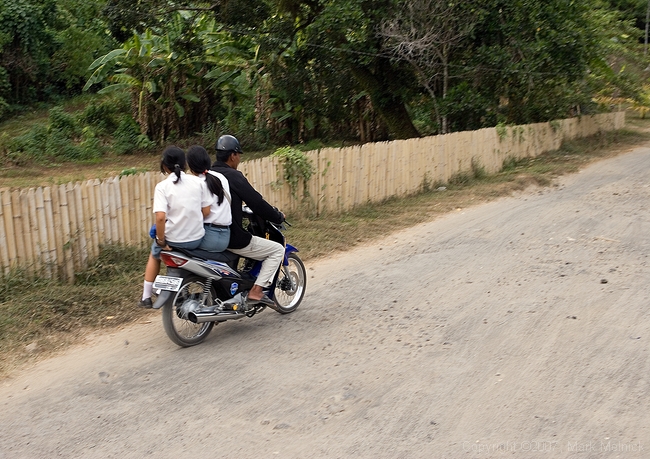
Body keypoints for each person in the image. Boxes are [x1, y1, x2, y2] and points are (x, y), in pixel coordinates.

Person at [211, 135, 285, 305]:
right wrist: (278, 216)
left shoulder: (208, 173)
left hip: (207, 233)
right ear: (233, 156)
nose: (239, 159)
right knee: (276, 250)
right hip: (230, 236)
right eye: (239, 155)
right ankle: (256, 291)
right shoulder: (233, 176)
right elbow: (256, 203)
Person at [139, 146, 212, 308]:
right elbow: (206, 211)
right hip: (195, 239)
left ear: (164, 166)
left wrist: (161, 240)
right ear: (185, 164)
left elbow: (160, 218)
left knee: (155, 254)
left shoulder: (163, 187)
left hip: (173, 240)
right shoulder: (198, 182)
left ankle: (145, 297)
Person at [186, 145, 232, 252]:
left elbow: (205, 212)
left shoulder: (197, 183)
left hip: (208, 236)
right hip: (226, 237)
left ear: (190, 166)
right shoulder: (221, 177)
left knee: (175, 244)